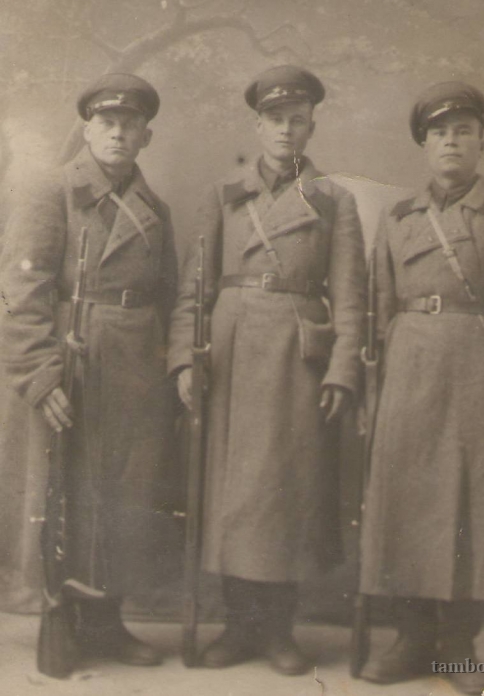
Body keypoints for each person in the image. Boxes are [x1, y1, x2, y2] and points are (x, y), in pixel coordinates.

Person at [168, 65, 366, 675]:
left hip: (297, 358)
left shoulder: (334, 200)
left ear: (311, 128)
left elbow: (350, 297)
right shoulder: (224, 195)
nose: (285, 130)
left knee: (287, 490)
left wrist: (342, 370)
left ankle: (278, 629)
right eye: (275, 120)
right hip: (231, 352)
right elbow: (193, 289)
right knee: (233, 493)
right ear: (258, 126)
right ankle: (238, 625)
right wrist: (183, 358)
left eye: (296, 121)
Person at [359, 82, 484, 694]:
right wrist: (370, 394)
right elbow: (376, 311)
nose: (451, 142)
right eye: (440, 133)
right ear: (424, 145)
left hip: (473, 374)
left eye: (463, 132)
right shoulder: (398, 217)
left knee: (469, 506)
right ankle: (410, 637)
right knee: (404, 504)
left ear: (482, 144)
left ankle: (458, 645)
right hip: (406, 370)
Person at [0, 73, 178, 672]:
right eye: (107, 123)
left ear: (146, 136)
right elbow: (20, 289)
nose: (118, 134)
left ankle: (106, 622)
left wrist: (166, 367)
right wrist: (39, 373)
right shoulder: (53, 190)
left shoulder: (155, 209)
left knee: (125, 495)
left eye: (130, 125)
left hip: (136, 369)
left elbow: (168, 295)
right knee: (63, 494)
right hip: (72, 361)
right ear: (87, 129)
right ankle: (58, 616)